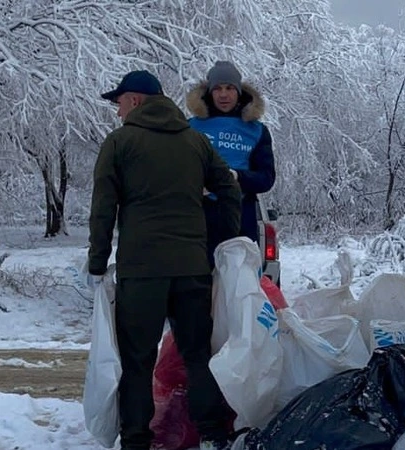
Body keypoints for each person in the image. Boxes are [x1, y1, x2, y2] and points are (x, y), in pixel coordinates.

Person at [87, 70, 241, 450]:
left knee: (137, 360)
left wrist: (96, 261)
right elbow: (230, 188)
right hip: (191, 267)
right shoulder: (195, 141)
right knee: (197, 355)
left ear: (136, 100)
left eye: (119, 101)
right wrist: (222, 242)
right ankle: (213, 434)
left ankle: (137, 440)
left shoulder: (120, 142)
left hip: (142, 272)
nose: (117, 110)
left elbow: (103, 208)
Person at [186, 61, 275, 269]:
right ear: (208, 92)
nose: (223, 95)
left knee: (239, 289)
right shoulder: (190, 127)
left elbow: (266, 178)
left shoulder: (256, 131)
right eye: (217, 88)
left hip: (241, 219)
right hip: (199, 219)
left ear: (239, 92)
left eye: (229, 88)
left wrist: (237, 177)